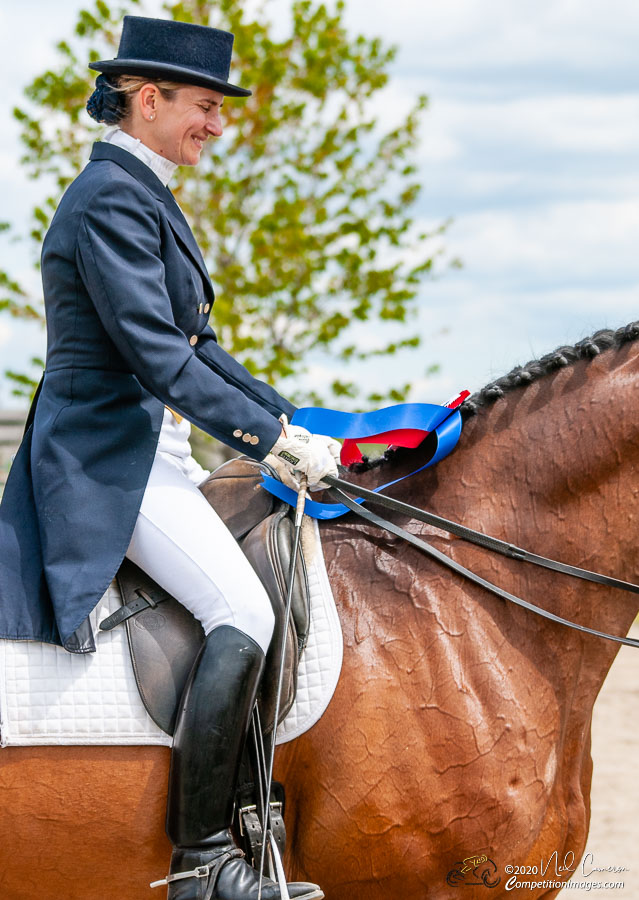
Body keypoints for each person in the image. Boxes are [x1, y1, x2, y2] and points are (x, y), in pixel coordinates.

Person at [0, 15, 337, 900]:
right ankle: (203, 863)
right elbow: (159, 355)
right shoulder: (109, 197)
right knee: (244, 613)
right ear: (147, 100)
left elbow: (201, 344)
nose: (216, 125)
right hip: (103, 461)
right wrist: (270, 441)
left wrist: (293, 424)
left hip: (154, 452)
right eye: (203, 106)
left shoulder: (144, 191)